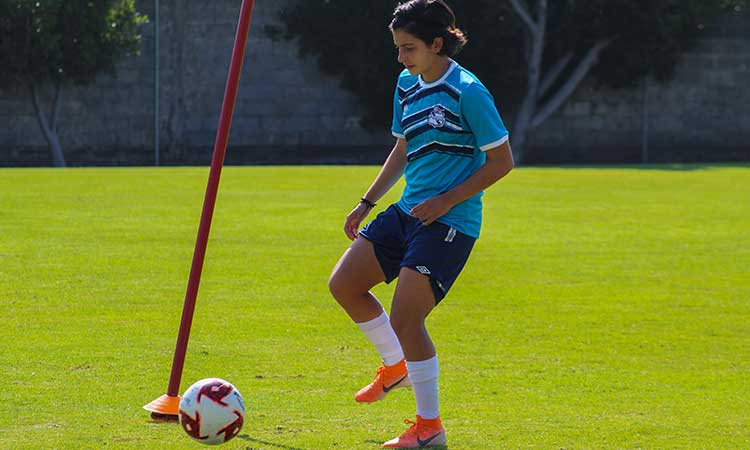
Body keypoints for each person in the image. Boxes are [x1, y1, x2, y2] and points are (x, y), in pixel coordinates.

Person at [328, 0, 514, 447]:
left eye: (408, 48)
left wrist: (446, 200)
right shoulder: (407, 84)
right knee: (345, 284)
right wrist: (367, 202)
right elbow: (402, 148)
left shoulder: (468, 91)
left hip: (452, 222)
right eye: (397, 48)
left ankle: (429, 429)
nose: (400, 58)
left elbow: (502, 162)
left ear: (437, 44)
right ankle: (396, 367)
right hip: (409, 212)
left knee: (408, 317)